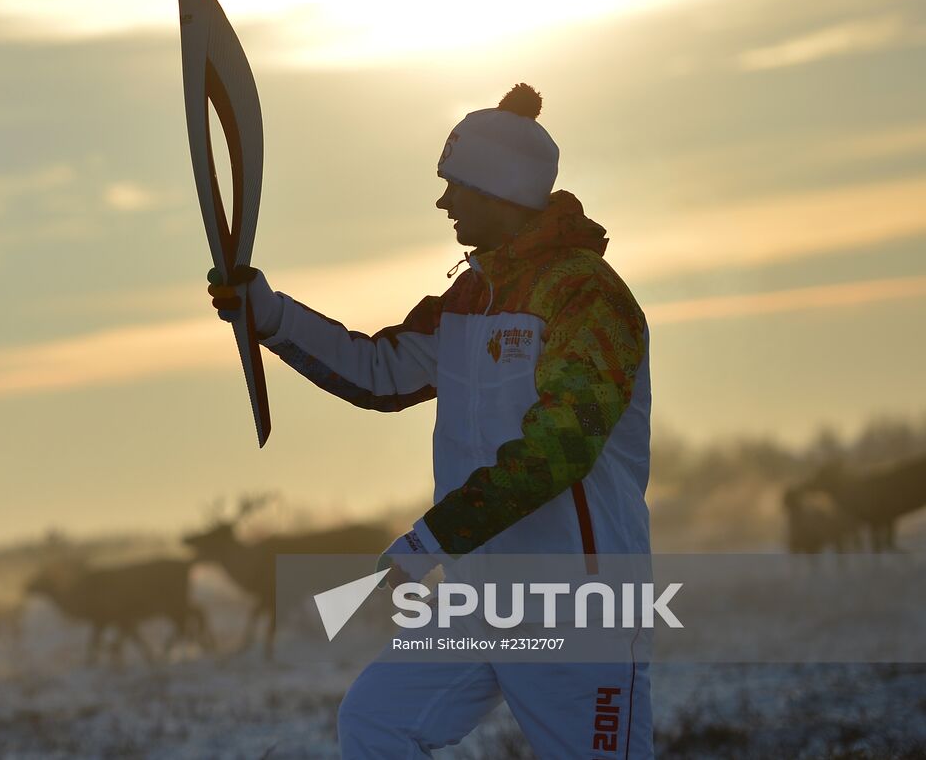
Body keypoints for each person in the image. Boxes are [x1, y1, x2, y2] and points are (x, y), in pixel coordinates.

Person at [207, 84, 653, 758]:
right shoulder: (469, 299)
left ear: (498, 188)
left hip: (575, 602)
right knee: (376, 721)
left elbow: (563, 446)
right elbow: (380, 370)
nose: (443, 201)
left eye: (455, 185)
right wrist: (270, 315)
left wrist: (437, 533)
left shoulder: (586, 297)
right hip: (480, 600)